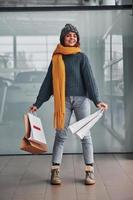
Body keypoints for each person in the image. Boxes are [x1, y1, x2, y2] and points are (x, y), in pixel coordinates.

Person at [29, 24, 108, 185]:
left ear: (77, 39)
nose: (72, 38)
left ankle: (89, 172)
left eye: (74, 35)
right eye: (68, 35)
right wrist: (38, 103)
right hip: (62, 100)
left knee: (85, 135)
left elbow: (90, 81)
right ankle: (55, 171)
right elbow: (48, 83)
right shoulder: (56, 58)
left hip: (82, 100)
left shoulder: (81, 57)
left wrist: (97, 100)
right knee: (60, 135)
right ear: (63, 38)